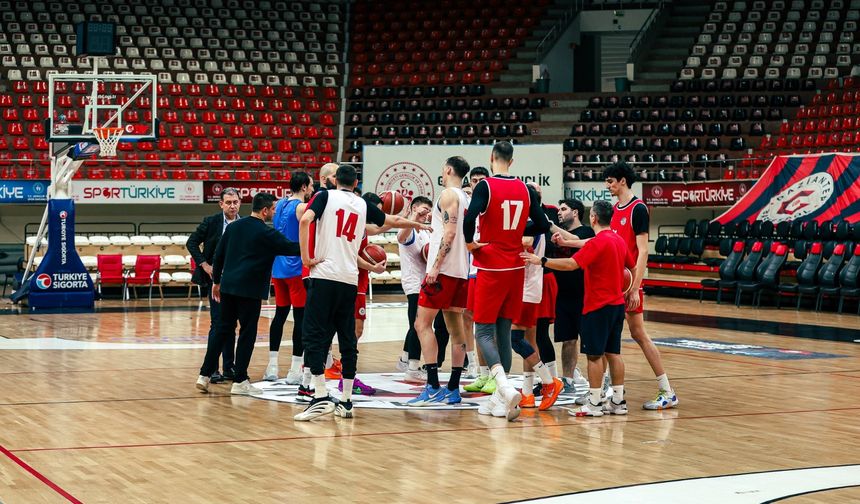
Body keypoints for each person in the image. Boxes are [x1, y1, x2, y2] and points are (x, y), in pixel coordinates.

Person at [295, 164, 429, 421]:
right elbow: (391, 221)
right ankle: (346, 400)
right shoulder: (361, 204)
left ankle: (320, 396)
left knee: (314, 336)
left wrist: (306, 256)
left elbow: (305, 218)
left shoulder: (324, 196)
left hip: (324, 275)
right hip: (349, 280)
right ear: (356, 183)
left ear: (335, 182)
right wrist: (417, 223)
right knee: (348, 339)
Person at [522, 200, 634, 417]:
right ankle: (618, 401)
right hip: (617, 305)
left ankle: (593, 403)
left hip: (597, 306)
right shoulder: (617, 240)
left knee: (594, 356)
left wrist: (541, 261)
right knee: (614, 354)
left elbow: (572, 264)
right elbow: (631, 265)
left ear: (593, 217)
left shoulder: (597, 242)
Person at [463, 142, 550, 421]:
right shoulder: (525, 188)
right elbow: (543, 224)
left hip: (491, 265)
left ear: (492, 158)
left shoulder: (485, 186)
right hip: (515, 266)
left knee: (483, 332)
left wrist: (470, 243)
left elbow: (469, 218)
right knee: (503, 331)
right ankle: (499, 401)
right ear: (512, 162)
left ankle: (503, 386)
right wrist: (517, 233)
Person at [195, 192, 301, 395]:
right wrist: (316, 244)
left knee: (222, 330)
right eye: (272, 210)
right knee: (246, 333)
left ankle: (204, 375)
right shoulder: (266, 233)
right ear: (264, 210)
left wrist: (217, 282)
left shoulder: (234, 227)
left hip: (227, 287)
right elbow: (291, 248)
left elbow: (219, 254)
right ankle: (240, 380)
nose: (273, 213)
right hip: (250, 291)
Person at [604, 161, 678, 410]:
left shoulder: (638, 209)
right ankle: (609, 389)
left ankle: (667, 390)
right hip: (613, 283)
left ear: (622, 180)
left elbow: (644, 251)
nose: (608, 186)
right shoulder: (614, 209)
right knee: (607, 336)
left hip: (629, 284)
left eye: (611, 181)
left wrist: (635, 287)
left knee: (639, 334)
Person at [407, 156, 472, 406]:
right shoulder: (466, 197)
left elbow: (450, 231)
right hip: (460, 271)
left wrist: (434, 265)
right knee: (456, 330)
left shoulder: (448, 195)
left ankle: (432, 384)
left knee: (422, 325)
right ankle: (453, 388)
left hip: (442, 272)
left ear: (447, 169)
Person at [186, 187, 241, 384]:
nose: (232, 206)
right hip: (215, 280)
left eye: (235, 202)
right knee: (218, 323)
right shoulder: (211, 222)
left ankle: (229, 366)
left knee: (231, 324)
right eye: (228, 202)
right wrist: (204, 264)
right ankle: (213, 369)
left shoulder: (243, 224)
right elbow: (191, 242)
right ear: (221, 204)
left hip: (236, 280)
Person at [266, 172, 314, 383]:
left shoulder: (279, 205)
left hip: (277, 267)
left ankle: (272, 366)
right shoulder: (302, 208)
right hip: (295, 267)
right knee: (300, 318)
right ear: (304, 187)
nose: (313, 189)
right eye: (311, 186)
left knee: (280, 315)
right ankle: (295, 369)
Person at [548, 199, 594, 392]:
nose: (559, 212)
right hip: (562, 295)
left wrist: (550, 226)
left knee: (591, 343)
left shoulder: (586, 233)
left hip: (583, 295)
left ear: (575, 213)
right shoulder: (558, 234)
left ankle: (602, 382)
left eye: (564, 209)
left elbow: (575, 242)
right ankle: (567, 380)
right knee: (568, 341)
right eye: (558, 208)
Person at [395, 196, 433, 382]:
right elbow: (401, 237)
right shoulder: (409, 230)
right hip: (414, 284)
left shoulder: (425, 231)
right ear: (414, 207)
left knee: (416, 324)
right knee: (419, 326)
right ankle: (412, 369)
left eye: (428, 211)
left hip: (424, 283)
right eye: (423, 209)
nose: (426, 213)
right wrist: (413, 218)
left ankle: (404, 358)